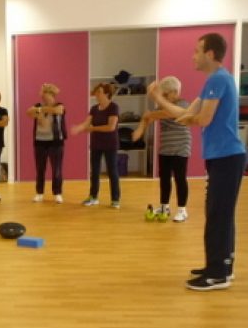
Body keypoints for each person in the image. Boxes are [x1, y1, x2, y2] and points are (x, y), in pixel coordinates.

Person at [149, 33, 246, 291]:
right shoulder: (213, 81)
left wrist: (190, 119)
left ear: (210, 54)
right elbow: (184, 113)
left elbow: (202, 119)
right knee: (219, 213)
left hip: (227, 157)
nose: (193, 56)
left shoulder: (218, 79)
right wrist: (159, 99)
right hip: (221, 158)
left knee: (218, 215)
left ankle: (218, 274)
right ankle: (221, 265)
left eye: (197, 51)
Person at [132, 76, 191, 222]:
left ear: (175, 92)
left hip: (181, 147)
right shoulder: (161, 107)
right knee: (164, 178)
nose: (163, 98)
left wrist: (151, 113)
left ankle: (182, 210)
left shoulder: (183, 104)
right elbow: (148, 119)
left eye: (165, 94)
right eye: (162, 95)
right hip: (165, 148)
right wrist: (140, 130)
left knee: (180, 178)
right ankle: (165, 207)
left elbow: (168, 113)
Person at [71, 82, 121, 208]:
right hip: (96, 144)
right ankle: (93, 197)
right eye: (96, 92)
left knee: (112, 172)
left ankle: (115, 199)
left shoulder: (113, 107)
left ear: (107, 94)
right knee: (95, 172)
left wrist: (93, 128)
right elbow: (86, 123)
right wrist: (79, 128)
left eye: (99, 92)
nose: (96, 94)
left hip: (110, 144)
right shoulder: (94, 108)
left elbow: (111, 127)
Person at [26, 83, 66, 203]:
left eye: (45, 93)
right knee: (40, 169)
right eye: (43, 94)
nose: (43, 96)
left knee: (57, 170)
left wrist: (40, 110)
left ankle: (57, 193)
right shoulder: (38, 106)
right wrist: (40, 109)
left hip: (56, 142)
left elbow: (57, 110)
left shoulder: (59, 105)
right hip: (40, 142)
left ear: (51, 95)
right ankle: (39, 193)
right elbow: (29, 112)